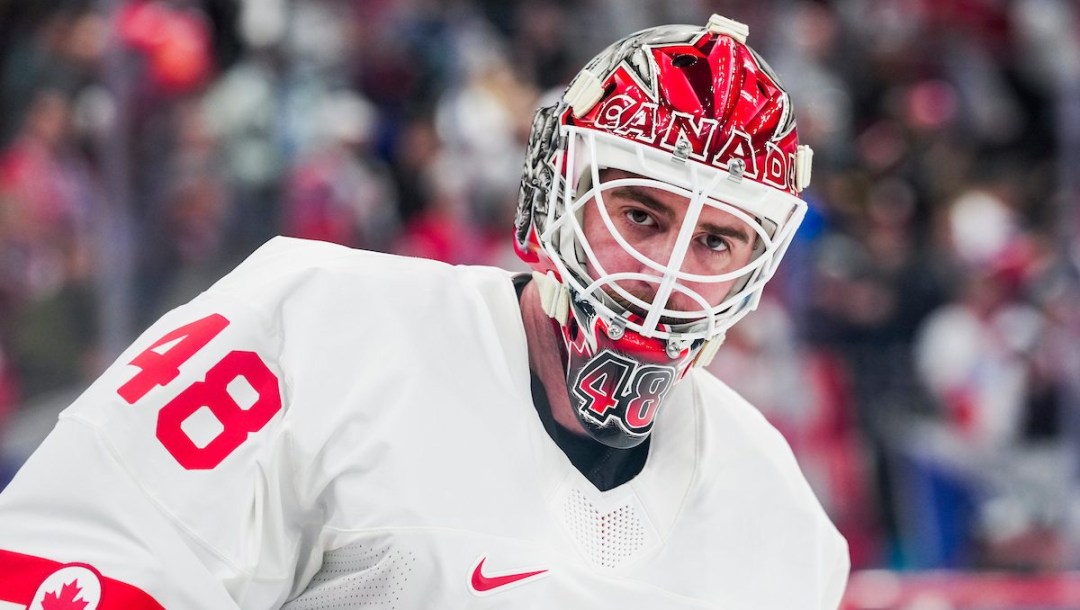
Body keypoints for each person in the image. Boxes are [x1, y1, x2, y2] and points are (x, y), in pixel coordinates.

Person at [0, 14, 849, 609]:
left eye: (717, 242)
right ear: (556, 197)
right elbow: (80, 557)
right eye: (641, 215)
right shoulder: (321, 326)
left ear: (759, 265)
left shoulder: (781, 524)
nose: (664, 275)